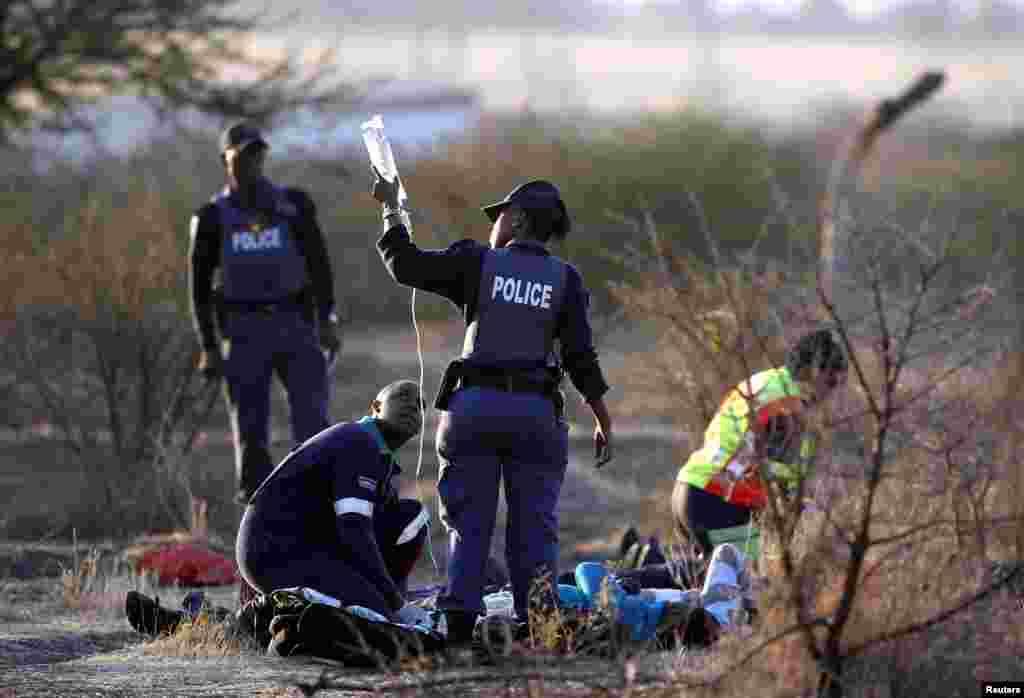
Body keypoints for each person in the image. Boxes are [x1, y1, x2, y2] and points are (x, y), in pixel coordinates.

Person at [371, 174, 614, 644]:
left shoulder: (477, 264)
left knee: (468, 522)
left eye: (499, 214)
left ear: (518, 220)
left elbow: (407, 266)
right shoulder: (565, 280)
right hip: (536, 417)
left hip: (474, 413)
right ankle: (539, 626)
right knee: (535, 527)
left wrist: (391, 210)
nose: (494, 224)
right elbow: (581, 357)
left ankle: (460, 624)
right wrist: (602, 417)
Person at [188, 121, 342, 504]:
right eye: (242, 155)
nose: (251, 162)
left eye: (258, 154)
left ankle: (315, 500)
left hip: (296, 324)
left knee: (312, 420)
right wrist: (207, 345)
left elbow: (320, 265)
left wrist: (328, 320)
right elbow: (198, 287)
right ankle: (259, 516)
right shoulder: (211, 217)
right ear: (225, 160)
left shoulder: (293, 206)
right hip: (242, 332)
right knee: (251, 429)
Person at [235, 379, 430, 621]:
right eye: (403, 397)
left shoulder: (379, 463)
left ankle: (383, 604)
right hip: (277, 552)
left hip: (307, 550)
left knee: (411, 516)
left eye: (421, 405)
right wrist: (396, 604)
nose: (413, 406)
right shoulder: (357, 441)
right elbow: (355, 530)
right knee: (375, 615)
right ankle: (265, 619)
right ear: (376, 407)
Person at [673, 328, 848, 561]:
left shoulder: (763, 380)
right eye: (831, 381)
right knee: (744, 582)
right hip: (720, 501)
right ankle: (633, 576)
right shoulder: (791, 408)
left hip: (689, 487)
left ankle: (640, 572)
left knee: (699, 585)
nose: (832, 392)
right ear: (812, 372)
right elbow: (786, 481)